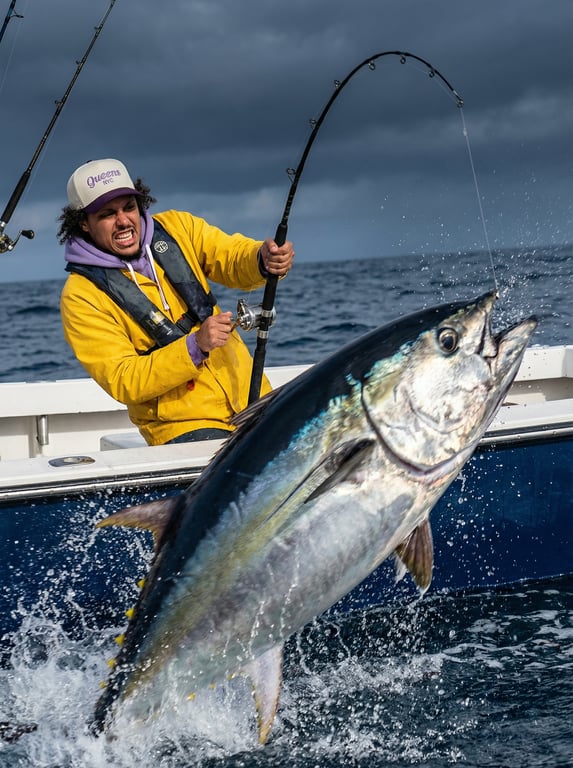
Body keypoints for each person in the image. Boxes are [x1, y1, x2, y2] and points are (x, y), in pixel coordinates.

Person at [58, 158, 295, 446]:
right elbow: (124, 379)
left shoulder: (179, 227)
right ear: (83, 223)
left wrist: (262, 259)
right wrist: (195, 346)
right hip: (181, 427)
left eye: (129, 207)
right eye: (107, 214)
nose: (123, 221)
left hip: (252, 399)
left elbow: (231, 256)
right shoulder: (80, 296)